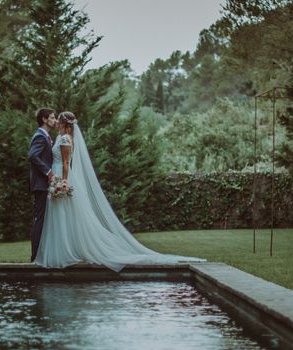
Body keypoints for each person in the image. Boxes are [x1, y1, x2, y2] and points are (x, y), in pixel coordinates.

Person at [33, 111, 204, 271]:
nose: (55, 122)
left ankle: (65, 253)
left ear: (64, 123)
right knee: (60, 214)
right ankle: (63, 251)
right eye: (53, 118)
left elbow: (65, 163)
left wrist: (63, 182)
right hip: (55, 178)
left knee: (63, 213)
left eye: (58, 119)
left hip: (62, 178)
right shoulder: (61, 137)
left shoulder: (65, 140)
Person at [28, 108, 57, 262]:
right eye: (52, 118)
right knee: (39, 219)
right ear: (44, 120)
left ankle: (41, 255)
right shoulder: (40, 136)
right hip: (41, 184)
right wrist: (48, 172)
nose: (55, 120)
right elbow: (32, 155)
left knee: (43, 219)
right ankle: (35, 257)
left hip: (43, 184)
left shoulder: (46, 136)